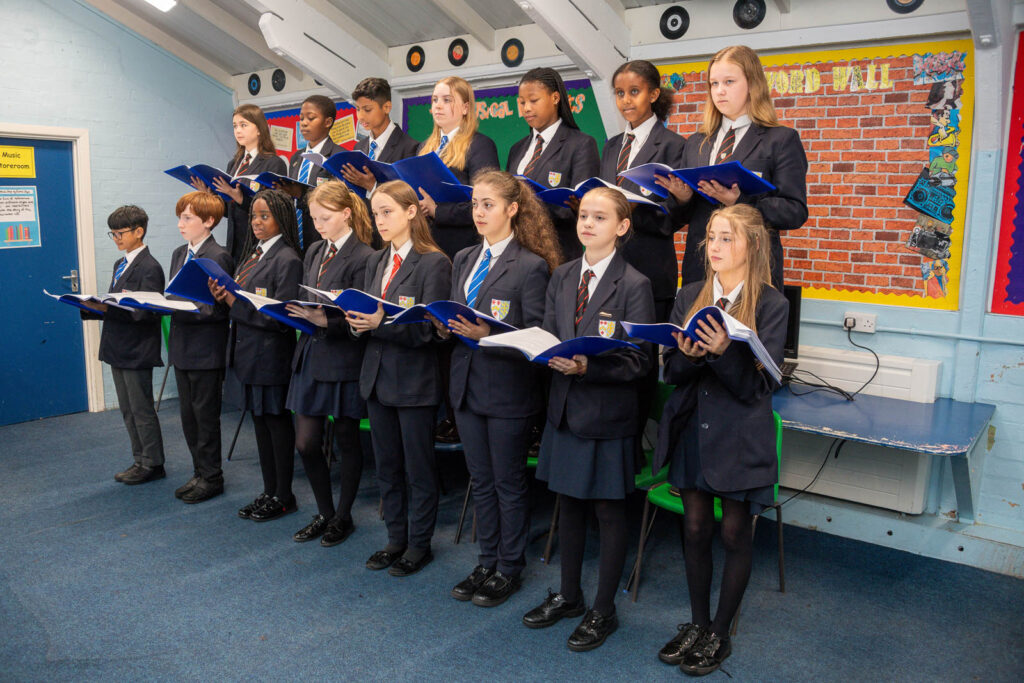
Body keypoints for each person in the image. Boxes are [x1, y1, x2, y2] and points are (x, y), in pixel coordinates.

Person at [652, 203, 788, 676]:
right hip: (694, 428)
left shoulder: (772, 304)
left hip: (739, 434)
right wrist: (689, 355)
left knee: (733, 532)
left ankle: (719, 632)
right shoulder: (689, 294)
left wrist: (724, 351)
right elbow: (671, 371)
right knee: (693, 530)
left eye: (726, 238)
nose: (714, 247)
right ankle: (696, 622)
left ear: (751, 245)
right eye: (710, 237)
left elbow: (757, 386)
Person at [522, 187, 654, 651]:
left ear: (621, 227)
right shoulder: (561, 276)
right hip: (564, 411)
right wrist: (539, 351)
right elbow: (545, 332)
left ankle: (604, 609)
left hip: (606, 417)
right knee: (569, 507)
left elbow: (641, 362)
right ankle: (570, 595)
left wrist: (588, 366)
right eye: (583, 216)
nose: (587, 224)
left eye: (600, 217)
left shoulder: (634, 285)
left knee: (608, 512)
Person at [432, 170, 560, 607]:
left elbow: (539, 333)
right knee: (480, 481)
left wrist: (490, 332)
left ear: (512, 208)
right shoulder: (465, 257)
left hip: (508, 389)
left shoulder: (531, 265)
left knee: (507, 483)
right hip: (465, 386)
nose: (479, 212)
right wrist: (442, 325)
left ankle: (509, 567)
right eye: (474, 204)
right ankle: (486, 560)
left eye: (488, 204)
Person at [346, 180, 452, 577]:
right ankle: (395, 538)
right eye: (375, 213)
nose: (380, 220)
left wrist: (380, 324)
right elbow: (368, 320)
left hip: (414, 382)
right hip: (376, 377)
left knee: (418, 469)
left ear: (411, 212)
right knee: (387, 467)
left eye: (387, 211)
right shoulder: (375, 261)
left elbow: (429, 332)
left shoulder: (434, 263)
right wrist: (358, 325)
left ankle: (419, 544)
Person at [283, 181, 375, 545]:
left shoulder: (366, 256)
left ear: (346, 213)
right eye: (314, 218)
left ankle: (343, 515)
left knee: (348, 442)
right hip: (310, 354)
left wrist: (329, 322)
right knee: (306, 443)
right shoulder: (315, 251)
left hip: (344, 358)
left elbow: (363, 320)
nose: (318, 225)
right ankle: (323, 511)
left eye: (325, 217)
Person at [676, 45, 808, 291]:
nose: (720, 91)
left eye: (729, 81)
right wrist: (681, 198)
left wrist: (740, 201)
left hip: (752, 271)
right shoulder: (696, 142)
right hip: (700, 270)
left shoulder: (780, 139)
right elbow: (686, 216)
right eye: (713, 84)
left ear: (753, 84)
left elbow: (795, 211)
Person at [210, 189, 303, 523]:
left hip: (272, 357)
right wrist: (223, 296)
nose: (257, 222)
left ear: (282, 218)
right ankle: (269, 491)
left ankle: (285, 496)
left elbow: (281, 319)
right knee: (260, 426)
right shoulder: (252, 255)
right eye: (253, 216)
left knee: (277, 426)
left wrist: (235, 304)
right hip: (248, 353)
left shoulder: (288, 259)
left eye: (265, 216)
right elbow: (242, 301)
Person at [81, 206, 166, 485]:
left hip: (137, 348)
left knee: (141, 409)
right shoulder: (121, 264)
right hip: (118, 345)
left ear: (138, 231)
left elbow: (143, 312)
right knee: (128, 409)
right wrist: (92, 306)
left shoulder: (150, 267)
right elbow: (116, 303)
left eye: (121, 232)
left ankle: (153, 463)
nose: (116, 238)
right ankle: (139, 459)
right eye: (113, 233)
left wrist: (105, 309)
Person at [600, 59, 687, 323]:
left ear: (653, 94)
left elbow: (676, 216)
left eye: (634, 91)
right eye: (620, 93)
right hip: (607, 265)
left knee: (643, 357)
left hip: (650, 266)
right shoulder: (611, 146)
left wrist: (632, 212)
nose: (626, 100)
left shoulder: (675, 145)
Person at [167, 191, 234, 503]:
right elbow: (172, 296)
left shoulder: (218, 256)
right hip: (182, 346)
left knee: (205, 417)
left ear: (209, 221)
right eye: (180, 217)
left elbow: (220, 310)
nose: (181, 223)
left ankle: (212, 476)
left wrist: (183, 307)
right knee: (187, 417)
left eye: (188, 218)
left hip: (206, 348)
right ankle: (199, 471)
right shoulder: (180, 253)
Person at [506, 67, 600, 261]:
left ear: (555, 98)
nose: (527, 108)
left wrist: (527, 206)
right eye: (522, 102)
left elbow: (580, 209)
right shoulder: (517, 149)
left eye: (534, 101)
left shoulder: (581, 144)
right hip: (516, 255)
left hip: (558, 257)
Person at [416, 76, 500, 260]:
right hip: (425, 246)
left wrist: (436, 211)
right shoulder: (423, 147)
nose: (438, 106)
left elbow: (486, 204)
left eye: (447, 100)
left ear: (465, 107)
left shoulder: (480, 145)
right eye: (435, 100)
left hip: (461, 248)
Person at [198, 104, 287, 265]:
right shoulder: (234, 163)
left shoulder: (274, 163)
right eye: (235, 126)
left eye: (243, 125)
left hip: (258, 242)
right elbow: (228, 211)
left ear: (259, 129)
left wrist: (240, 199)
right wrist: (210, 197)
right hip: (234, 244)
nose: (238, 131)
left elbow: (275, 210)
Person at [340, 77, 421, 247]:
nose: (361, 116)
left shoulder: (410, 147)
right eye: (357, 109)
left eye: (367, 109)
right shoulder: (359, 146)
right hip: (359, 235)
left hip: (390, 239)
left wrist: (373, 188)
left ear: (386, 107)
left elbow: (409, 200)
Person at [280, 95, 343, 253]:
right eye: (301, 118)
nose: (304, 123)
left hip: (321, 237)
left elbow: (336, 200)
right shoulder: (296, 157)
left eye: (311, 118)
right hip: (293, 237)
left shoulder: (337, 156)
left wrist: (300, 194)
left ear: (327, 122)